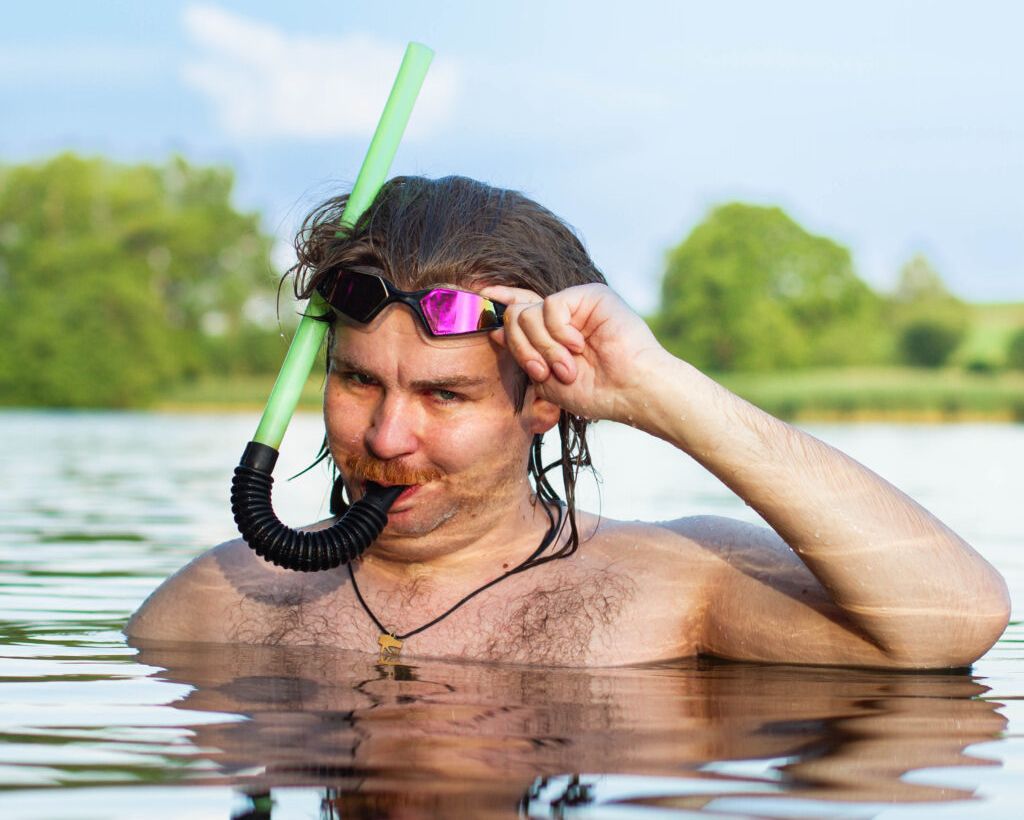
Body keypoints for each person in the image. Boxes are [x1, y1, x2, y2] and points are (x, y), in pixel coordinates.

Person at [126, 176, 1010, 668]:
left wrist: (660, 390)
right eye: (360, 382)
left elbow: (954, 622)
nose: (389, 438)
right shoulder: (223, 599)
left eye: (446, 395)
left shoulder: (675, 585)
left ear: (545, 400)